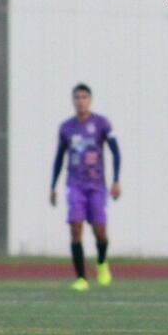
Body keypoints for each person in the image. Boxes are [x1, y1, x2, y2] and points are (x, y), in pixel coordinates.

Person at [50, 83, 121, 291]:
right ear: (73, 101)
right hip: (75, 185)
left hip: (96, 185)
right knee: (75, 227)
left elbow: (116, 152)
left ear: (90, 100)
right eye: (77, 97)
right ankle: (81, 277)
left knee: (100, 231)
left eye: (84, 97)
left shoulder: (101, 124)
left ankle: (101, 262)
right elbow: (59, 157)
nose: (80, 101)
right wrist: (52, 186)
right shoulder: (66, 127)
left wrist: (116, 180)